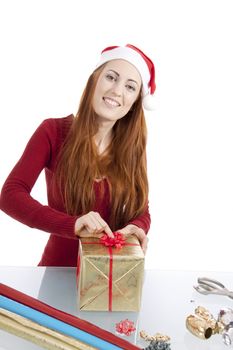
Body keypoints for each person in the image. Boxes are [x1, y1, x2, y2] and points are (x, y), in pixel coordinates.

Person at [0, 44, 156, 267]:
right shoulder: (52, 132)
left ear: (134, 104)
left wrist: (138, 226)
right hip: (57, 272)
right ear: (95, 80)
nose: (117, 91)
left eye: (130, 87)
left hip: (113, 278)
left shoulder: (133, 148)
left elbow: (141, 208)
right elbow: (10, 195)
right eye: (111, 77)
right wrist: (73, 224)